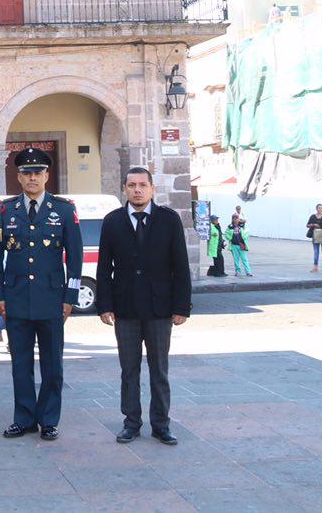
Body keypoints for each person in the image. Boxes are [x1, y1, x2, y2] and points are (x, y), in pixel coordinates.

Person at [0, 147, 83, 442]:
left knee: (53, 365)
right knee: (20, 365)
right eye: (26, 173)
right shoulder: (5, 210)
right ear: (18, 177)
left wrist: (70, 298)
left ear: (47, 175)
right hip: (16, 299)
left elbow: (76, 257)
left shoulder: (64, 209)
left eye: (38, 172)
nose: (32, 177)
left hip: (52, 299)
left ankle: (49, 419)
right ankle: (24, 418)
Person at [96, 167, 192, 446]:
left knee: (159, 369)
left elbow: (180, 267)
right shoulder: (112, 221)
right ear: (124, 189)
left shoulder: (168, 220)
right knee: (129, 370)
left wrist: (181, 307)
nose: (137, 190)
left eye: (142, 185)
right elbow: (104, 268)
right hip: (125, 308)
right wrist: (104, 305)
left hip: (159, 309)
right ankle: (131, 423)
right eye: (131, 185)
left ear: (152, 189)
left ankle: (161, 424)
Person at [306, 205, 322, 272]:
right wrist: (313, 225)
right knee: (316, 252)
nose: (320, 209)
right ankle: (315, 266)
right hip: (315, 235)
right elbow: (307, 225)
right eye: (319, 208)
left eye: (321, 208)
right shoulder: (312, 216)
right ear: (316, 208)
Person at [228, 212, 252, 277]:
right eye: (234, 218)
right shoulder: (230, 226)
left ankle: (248, 272)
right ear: (232, 219)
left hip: (242, 244)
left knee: (244, 259)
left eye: (237, 218)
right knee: (236, 260)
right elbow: (226, 234)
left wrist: (244, 237)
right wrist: (231, 237)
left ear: (239, 219)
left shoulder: (242, 225)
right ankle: (237, 272)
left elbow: (247, 232)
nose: (235, 219)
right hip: (234, 245)